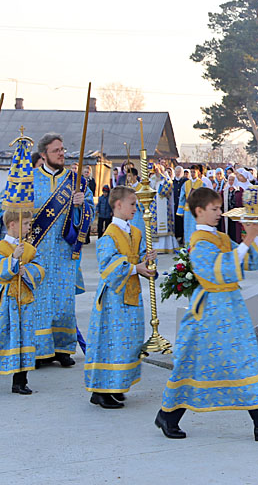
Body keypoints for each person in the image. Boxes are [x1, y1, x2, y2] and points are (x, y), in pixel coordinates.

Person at [156, 187, 258, 442]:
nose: (220, 213)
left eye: (220, 208)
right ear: (199, 211)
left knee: (245, 360)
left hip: (229, 309)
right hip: (209, 313)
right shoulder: (198, 241)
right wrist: (247, 239)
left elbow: (248, 262)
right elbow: (217, 273)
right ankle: (168, 415)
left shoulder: (219, 237)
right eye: (214, 209)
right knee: (195, 364)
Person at [84, 186, 157, 408]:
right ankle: (101, 391)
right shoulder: (109, 235)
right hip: (114, 299)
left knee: (129, 342)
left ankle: (117, 384)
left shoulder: (135, 232)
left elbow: (139, 259)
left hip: (132, 295)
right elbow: (107, 265)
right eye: (132, 204)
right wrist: (137, 267)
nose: (136, 208)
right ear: (118, 205)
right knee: (111, 342)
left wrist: (148, 261)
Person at [26, 133, 94, 366]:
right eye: (56, 151)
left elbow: (90, 214)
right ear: (44, 155)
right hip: (38, 252)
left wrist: (80, 205)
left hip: (65, 252)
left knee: (64, 302)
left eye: (63, 149)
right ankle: (40, 351)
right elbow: (15, 212)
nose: (62, 154)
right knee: (40, 302)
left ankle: (63, 349)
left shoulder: (77, 182)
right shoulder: (29, 179)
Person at [0, 135, 46, 394]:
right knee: (8, 338)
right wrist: (13, 261)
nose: (29, 228)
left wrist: (28, 269)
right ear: (12, 224)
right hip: (6, 302)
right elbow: (1, 271)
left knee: (25, 338)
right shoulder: (3, 247)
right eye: (26, 224)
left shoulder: (29, 248)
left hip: (25, 300)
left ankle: (21, 380)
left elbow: (40, 268)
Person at [176, 167, 205, 246]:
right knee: (187, 228)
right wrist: (180, 211)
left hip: (197, 210)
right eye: (191, 172)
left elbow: (205, 197)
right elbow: (182, 198)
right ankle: (188, 247)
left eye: (194, 172)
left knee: (196, 228)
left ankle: (196, 245)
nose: (192, 174)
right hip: (187, 210)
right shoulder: (186, 184)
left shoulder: (202, 184)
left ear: (198, 172)